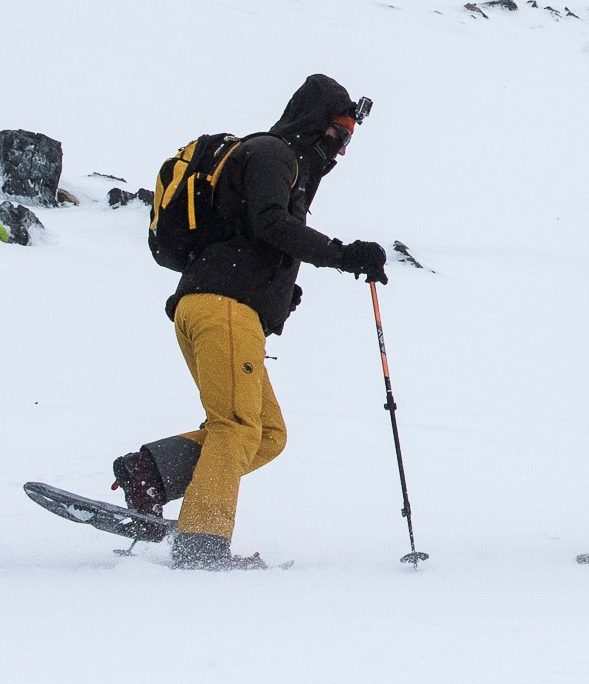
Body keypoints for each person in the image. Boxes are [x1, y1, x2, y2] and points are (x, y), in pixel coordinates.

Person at [111, 74, 390, 571]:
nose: (343, 149)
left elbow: (254, 236)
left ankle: (151, 472)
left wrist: (282, 289)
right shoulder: (272, 153)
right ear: (316, 123)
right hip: (222, 307)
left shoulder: (284, 165)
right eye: (340, 133)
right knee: (236, 426)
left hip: (222, 306)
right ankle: (202, 548)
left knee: (266, 433)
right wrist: (343, 255)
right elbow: (269, 223)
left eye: (350, 137)